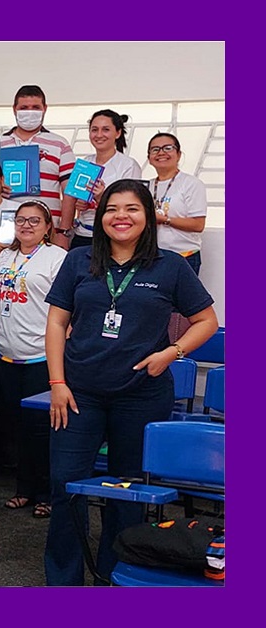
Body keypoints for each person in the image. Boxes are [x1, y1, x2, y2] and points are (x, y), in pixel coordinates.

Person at [44, 179, 218, 586]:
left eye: (132, 209)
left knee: (128, 489)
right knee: (64, 484)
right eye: (112, 209)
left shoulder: (170, 265)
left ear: (147, 216)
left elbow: (206, 321)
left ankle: (116, 573)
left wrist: (171, 353)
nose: (121, 217)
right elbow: (56, 321)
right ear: (101, 216)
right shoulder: (79, 260)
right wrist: (56, 381)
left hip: (141, 395)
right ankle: (63, 581)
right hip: (77, 392)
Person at [0, 201, 66, 518]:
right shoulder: (5, 256)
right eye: (21, 220)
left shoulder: (57, 258)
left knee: (42, 427)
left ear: (48, 226)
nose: (26, 226)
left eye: (35, 221)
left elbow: (68, 306)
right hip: (6, 352)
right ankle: (24, 488)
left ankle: (47, 493)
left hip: (40, 353)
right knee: (16, 426)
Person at [0, 85, 77, 248]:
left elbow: (70, 191)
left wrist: (63, 232)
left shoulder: (60, 144)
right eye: (24, 108)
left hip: (48, 231)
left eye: (36, 108)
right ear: (14, 109)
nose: (30, 112)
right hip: (4, 231)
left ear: (45, 109)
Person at [72, 110, 142, 250]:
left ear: (118, 133)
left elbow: (131, 205)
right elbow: (77, 201)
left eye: (106, 130)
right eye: (94, 130)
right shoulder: (86, 162)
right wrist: (81, 204)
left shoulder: (128, 165)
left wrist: (101, 198)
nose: (99, 135)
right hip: (83, 234)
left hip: (111, 236)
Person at [147, 132, 208, 274]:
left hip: (184, 256)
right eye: (155, 149)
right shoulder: (146, 186)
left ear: (179, 154)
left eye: (168, 148)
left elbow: (198, 225)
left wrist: (165, 220)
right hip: (152, 256)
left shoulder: (191, 184)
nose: (161, 153)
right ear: (149, 158)